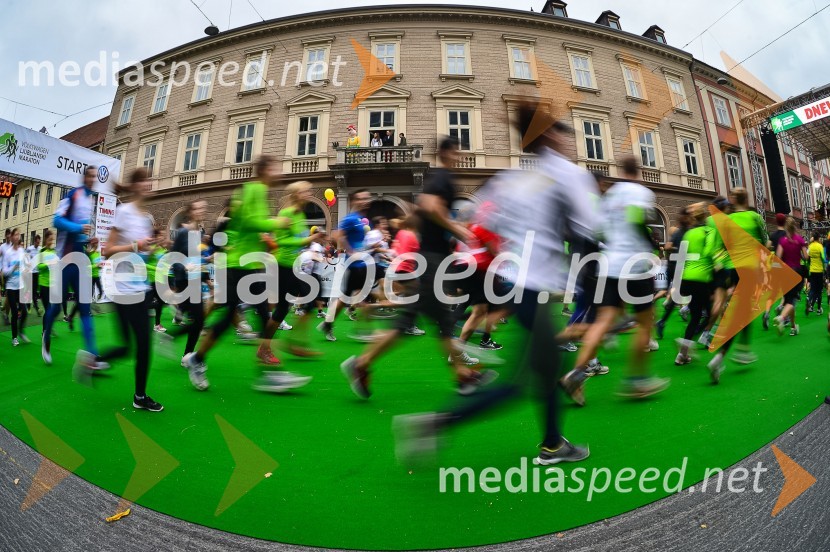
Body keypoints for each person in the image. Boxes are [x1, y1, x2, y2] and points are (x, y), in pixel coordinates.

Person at [391, 107, 593, 466]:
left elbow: (482, 220)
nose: (565, 139)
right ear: (549, 136)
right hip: (534, 286)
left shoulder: (510, 179)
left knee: (545, 367)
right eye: (560, 132)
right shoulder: (569, 174)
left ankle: (551, 443)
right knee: (522, 381)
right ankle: (437, 423)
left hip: (512, 282)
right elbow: (591, 226)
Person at [340, 137, 498, 400]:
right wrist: (455, 227)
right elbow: (429, 208)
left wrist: (408, 225)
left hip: (431, 259)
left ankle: (364, 364)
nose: (459, 156)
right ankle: (461, 374)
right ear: (447, 153)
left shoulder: (435, 181)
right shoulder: (443, 179)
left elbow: (419, 212)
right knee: (437, 321)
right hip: (432, 261)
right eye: (457, 151)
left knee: (425, 322)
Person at [182, 156, 312, 393]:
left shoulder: (262, 193)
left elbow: (254, 226)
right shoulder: (252, 190)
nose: (278, 172)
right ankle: (197, 358)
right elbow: (248, 223)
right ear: (264, 170)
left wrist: (268, 234)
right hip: (236, 265)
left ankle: (269, 374)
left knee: (263, 314)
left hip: (251, 266)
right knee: (227, 317)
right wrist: (275, 223)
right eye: (274, 168)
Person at [561, 156, 669, 404]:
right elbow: (636, 221)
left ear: (621, 170)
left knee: (602, 321)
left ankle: (575, 375)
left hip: (609, 265)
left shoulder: (609, 196)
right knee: (644, 323)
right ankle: (636, 381)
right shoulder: (640, 193)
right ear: (639, 170)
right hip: (635, 266)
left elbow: (599, 231)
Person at [87, 168, 162, 411]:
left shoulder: (145, 218)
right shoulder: (124, 212)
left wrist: (149, 248)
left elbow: (141, 253)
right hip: (123, 289)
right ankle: (140, 397)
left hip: (139, 287)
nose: (149, 184)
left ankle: (94, 362)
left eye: (150, 180)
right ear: (135, 185)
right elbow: (107, 250)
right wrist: (135, 245)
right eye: (144, 180)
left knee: (128, 346)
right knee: (142, 345)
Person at [257, 180, 325, 363]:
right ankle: (264, 349)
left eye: (309, 191)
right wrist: (307, 240)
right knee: (281, 310)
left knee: (311, 301)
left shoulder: (299, 215)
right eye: (305, 191)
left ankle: (296, 342)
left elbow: (301, 239)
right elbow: (280, 242)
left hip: (294, 266)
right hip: (281, 267)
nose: (309, 193)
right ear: (295, 194)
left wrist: (312, 241)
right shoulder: (286, 213)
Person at [705, 187, 768, 375]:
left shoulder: (727, 221)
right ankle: (723, 356)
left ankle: (742, 350)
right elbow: (765, 242)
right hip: (751, 268)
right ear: (747, 199)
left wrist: (720, 264)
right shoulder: (755, 217)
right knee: (742, 313)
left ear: (732, 200)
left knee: (743, 310)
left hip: (732, 269)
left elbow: (719, 247)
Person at [50, 165, 104, 369]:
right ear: (84, 178)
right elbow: (56, 220)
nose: (92, 179)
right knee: (55, 307)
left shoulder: (90, 200)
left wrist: (90, 240)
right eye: (90, 176)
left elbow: (81, 236)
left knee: (85, 308)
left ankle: (93, 356)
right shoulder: (73, 195)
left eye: (95, 177)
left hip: (80, 259)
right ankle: (47, 333)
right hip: (65, 259)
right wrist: (78, 228)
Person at [159, 200, 208, 363]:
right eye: (198, 207)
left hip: (195, 280)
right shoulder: (182, 232)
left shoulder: (199, 233)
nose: (201, 210)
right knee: (198, 320)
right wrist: (184, 268)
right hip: (184, 281)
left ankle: (185, 353)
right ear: (191, 212)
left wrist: (205, 267)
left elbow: (196, 258)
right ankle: (186, 354)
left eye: (203, 208)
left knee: (198, 321)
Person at [673, 203, 714, 368]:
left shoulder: (688, 233)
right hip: (702, 277)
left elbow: (681, 256)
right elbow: (710, 252)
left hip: (686, 277)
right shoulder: (708, 231)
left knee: (696, 316)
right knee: (711, 314)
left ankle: (681, 355)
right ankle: (685, 344)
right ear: (705, 216)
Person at [773, 216, 808, 336]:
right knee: (791, 301)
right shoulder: (799, 239)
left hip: (785, 272)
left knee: (789, 300)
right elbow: (806, 256)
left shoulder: (783, 240)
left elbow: (778, 257)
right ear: (795, 226)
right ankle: (781, 318)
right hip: (797, 271)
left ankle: (793, 327)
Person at [1, 228, 30, 346]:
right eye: (15, 235)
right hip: (11, 287)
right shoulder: (8, 253)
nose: (17, 236)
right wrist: (13, 269)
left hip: (21, 286)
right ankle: (14, 338)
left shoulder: (22, 251)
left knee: (24, 312)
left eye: (19, 234)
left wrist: (26, 269)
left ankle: (21, 331)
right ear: (12, 237)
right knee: (14, 312)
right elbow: (4, 271)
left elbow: (26, 265)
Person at [35, 230, 59, 362]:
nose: (52, 241)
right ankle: (45, 332)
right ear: (46, 239)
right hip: (44, 285)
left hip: (53, 284)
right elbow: (39, 266)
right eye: (50, 239)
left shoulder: (54, 252)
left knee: (51, 310)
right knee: (48, 309)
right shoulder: (42, 252)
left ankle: (46, 329)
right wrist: (48, 264)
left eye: (53, 239)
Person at [763, 213, 789, 330]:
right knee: (786, 291)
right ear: (785, 222)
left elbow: (766, 247)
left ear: (776, 222)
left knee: (773, 292)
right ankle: (781, 308)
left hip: (775, 266)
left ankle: (767, 312)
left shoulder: (773, 235)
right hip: (785, 266)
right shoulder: (787, 235)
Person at [806, 232, 825, 315]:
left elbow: (807, 256)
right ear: (819, 238)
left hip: (812, 270)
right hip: (819, 271)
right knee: (819, 290)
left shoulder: (810, 246)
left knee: (813, 289)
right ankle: (818, 309)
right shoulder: (820, 246)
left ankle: (809, 301)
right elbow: (823, 258)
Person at [27, 235, 43, 316]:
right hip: (30, 272)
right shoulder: (29, 249)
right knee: (30, 290)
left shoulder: (40, 249)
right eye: (37, 242)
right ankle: (29, 306)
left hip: (36, 272)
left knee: (34, 290)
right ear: (34, 242)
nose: (38, 243)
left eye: (39, 242)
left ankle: (35, 306)